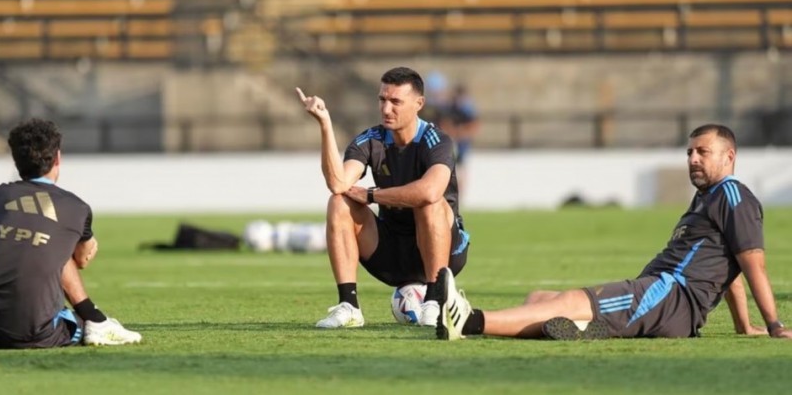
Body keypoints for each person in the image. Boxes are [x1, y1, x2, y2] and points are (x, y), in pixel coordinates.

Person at [435, 124, 792, 341]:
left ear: (729, 156)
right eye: (689, 152)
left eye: (703, 152)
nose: (693, 159)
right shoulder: (706, 199)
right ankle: (579, 328)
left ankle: (468, 320)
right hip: (663, 296)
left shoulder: (731, 194)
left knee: (576, 300)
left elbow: (751, 264)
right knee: (539, 299)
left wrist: (774, 324)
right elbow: (730, 269)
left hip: (668, 295)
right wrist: (743, 326)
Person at [0, 118, 142, 349]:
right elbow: (82, 259)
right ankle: (97, 322)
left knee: (44, 244)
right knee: (78, 320)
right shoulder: (75, 207)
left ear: (16, 160)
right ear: (57, 157)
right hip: (38, 332)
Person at [296, 66, 470, 328]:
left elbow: (430, 191)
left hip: (445, 253)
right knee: (338, 201)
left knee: (428, 202)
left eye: (396, 101)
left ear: (419, 103)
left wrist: (372, 195)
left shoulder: (436, 140)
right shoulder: (370, 139)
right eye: (382, 100)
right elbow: (338, 183)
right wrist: (325, 124)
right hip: (393, 254)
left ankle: (434, 301)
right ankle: (349, 306)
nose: (386, 109)